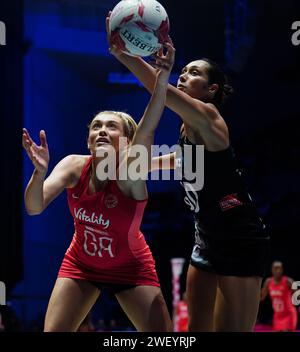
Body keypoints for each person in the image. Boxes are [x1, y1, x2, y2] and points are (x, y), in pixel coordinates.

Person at [106, 14, 270, 332]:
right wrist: (143, 163)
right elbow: (182, 160)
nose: (183, 76)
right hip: (205, 237)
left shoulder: (210, 117)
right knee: (195, 328)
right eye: (182, 71)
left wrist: (123, 53)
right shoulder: (187, 128)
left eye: (192, 73)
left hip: (240, 239)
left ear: (211, 90)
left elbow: (160, 91)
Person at [22, 43, 175, 332]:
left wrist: (162, 79)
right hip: (81, 265)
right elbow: (33, 207)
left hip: (131, 268)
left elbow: (147, 128)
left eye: (111, 126)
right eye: (96, 126)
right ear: (89, 140)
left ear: (127, 142)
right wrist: (38, 173)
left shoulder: (130, 172)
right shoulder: (72, 166)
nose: (102, 130)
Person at [261, 261, 298, 332]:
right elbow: (262, 297)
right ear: (272, 269)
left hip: (289, 315)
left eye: (279, 268)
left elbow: (298, 296)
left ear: (282, 269)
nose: (278, 270)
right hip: (277, 316)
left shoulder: (288, 281)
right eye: (275, 268)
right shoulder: (268, 282)